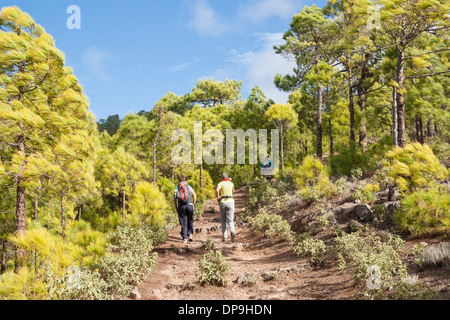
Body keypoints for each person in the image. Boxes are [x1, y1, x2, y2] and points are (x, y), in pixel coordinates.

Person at [174, 174, 197, 244]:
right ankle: (190, 234)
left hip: (181, 206)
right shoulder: (188, 186)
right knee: (190, 219)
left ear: (179, 180)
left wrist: (176, 207)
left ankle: (184, 238)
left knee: (183, 222)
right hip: (189, 205)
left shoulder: (177, 187)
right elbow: (194, 195)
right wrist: (193, 203)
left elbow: (175, 199)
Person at [216, 172, 236, 242]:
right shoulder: (231, 183)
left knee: (223, 220)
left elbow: (217, 190)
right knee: (231, 220)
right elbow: (233, 191)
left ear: (221, 177)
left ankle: (224, 237)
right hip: (230, 201)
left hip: (223, 202)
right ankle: (232, 232)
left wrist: (218, 197)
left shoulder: (220, 183)